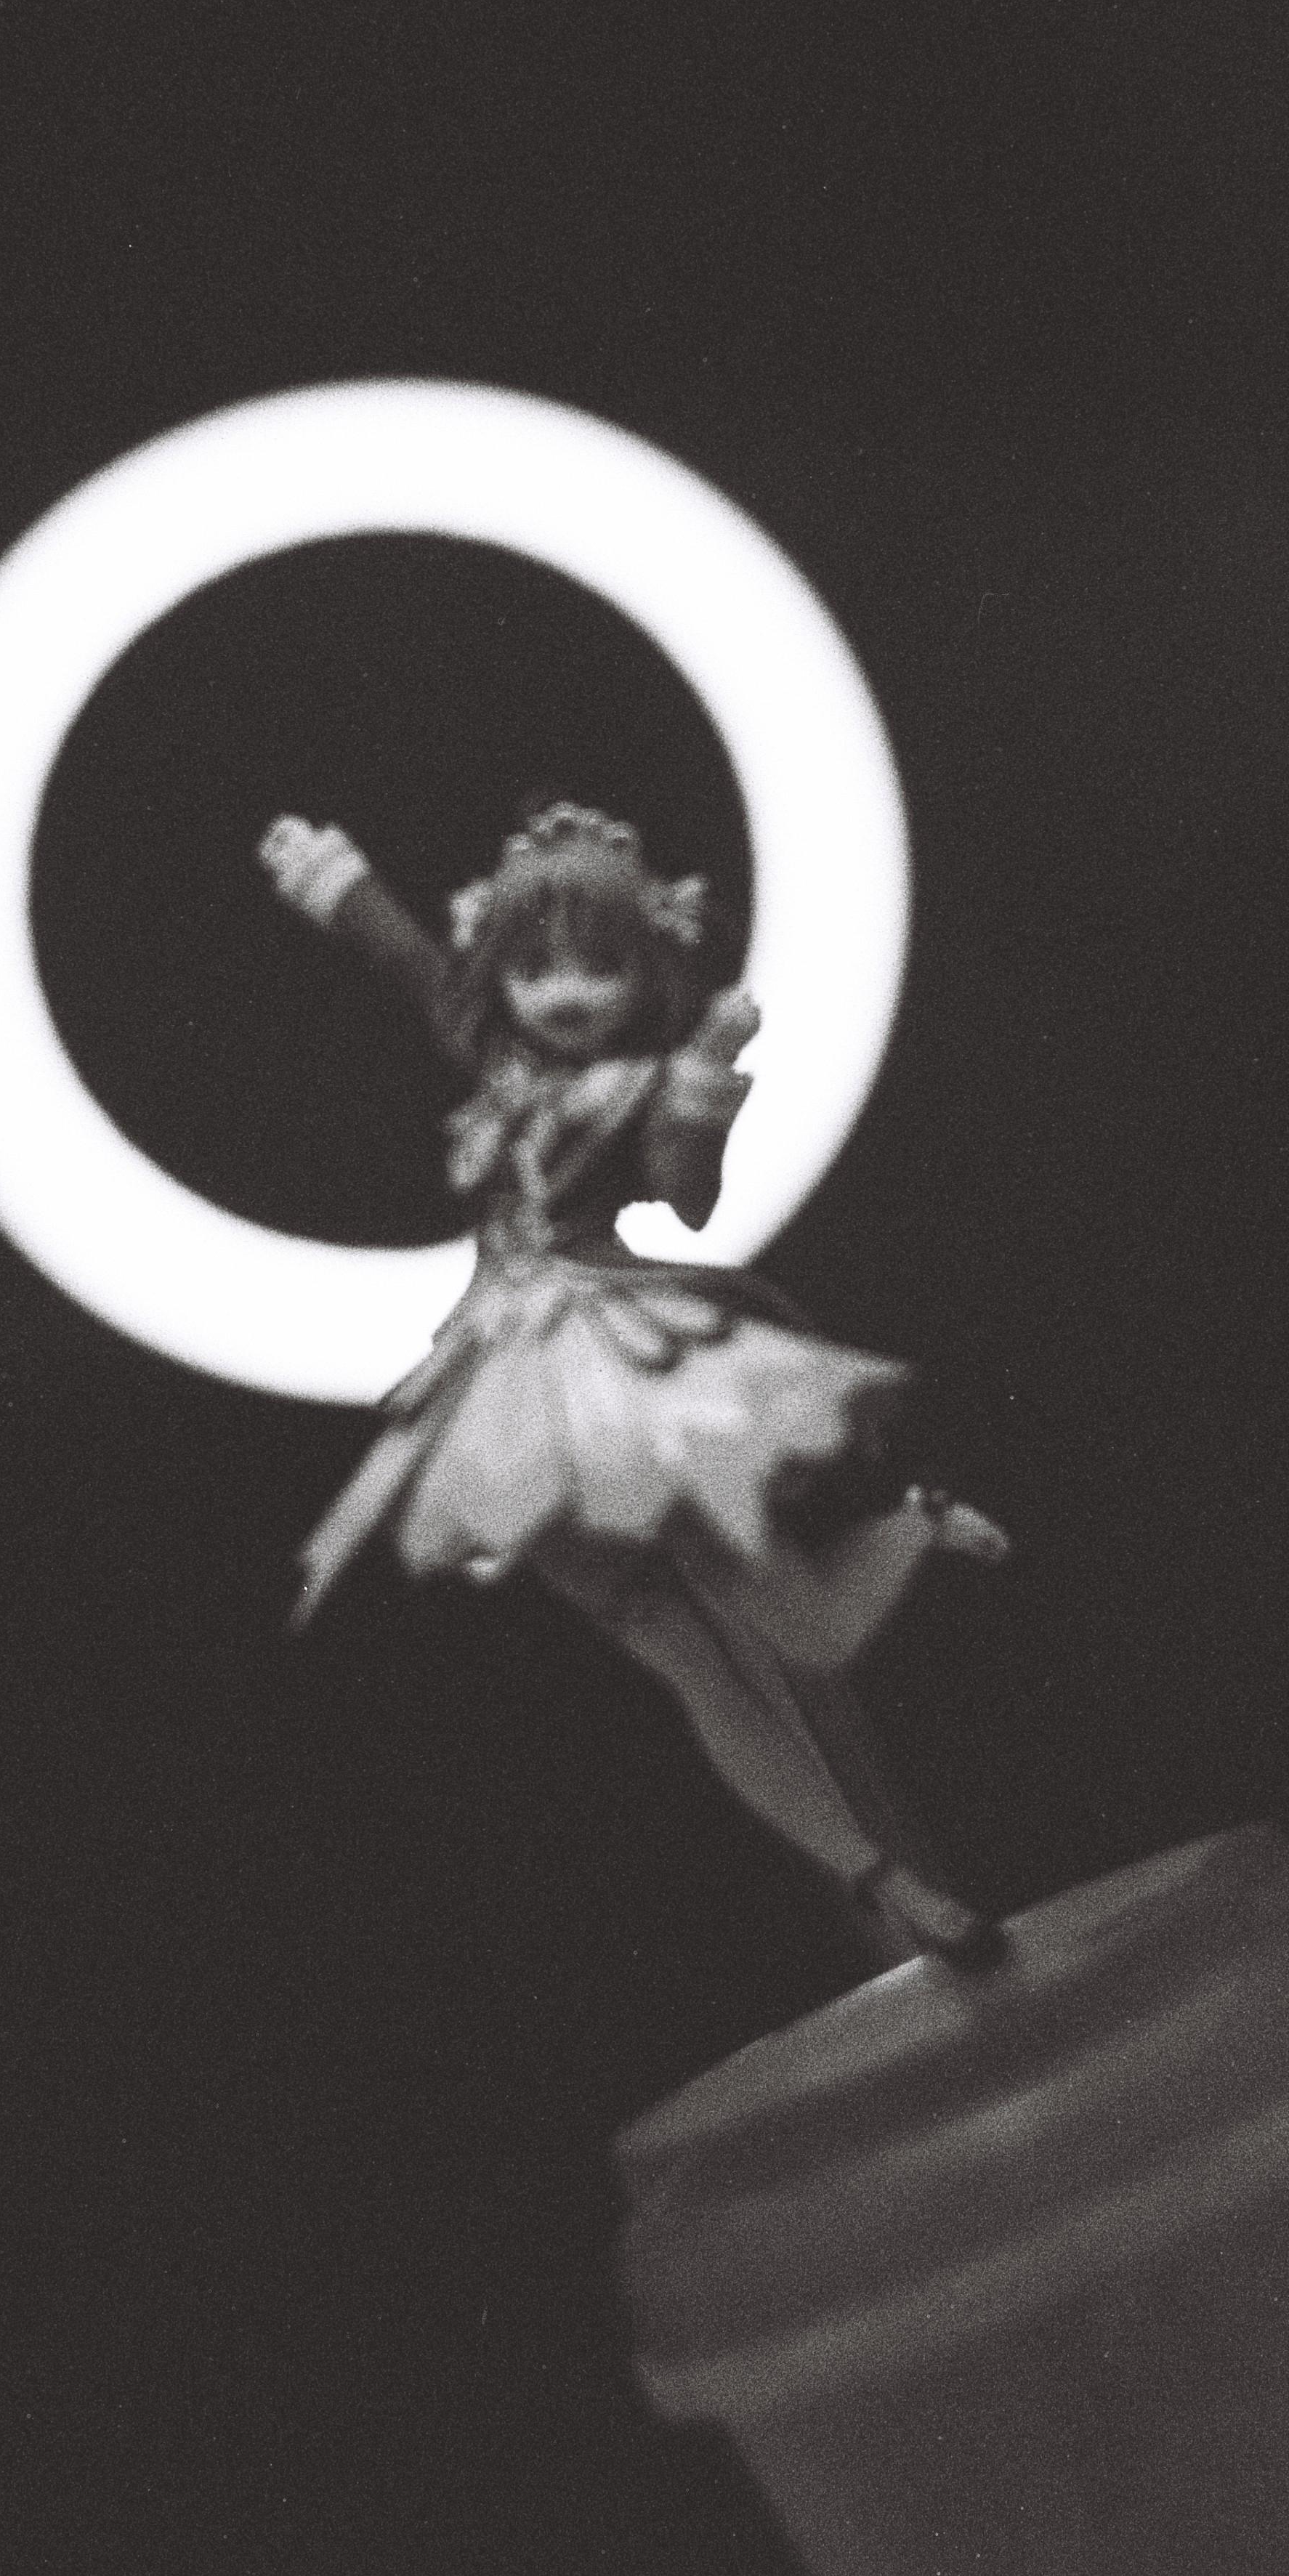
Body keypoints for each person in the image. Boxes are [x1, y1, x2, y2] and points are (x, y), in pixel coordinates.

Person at [259, 798, 1009, 1970]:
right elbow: (414, 966)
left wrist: (703, 1085)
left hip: (621, 1360)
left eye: (598, 967)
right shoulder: (496, 1055)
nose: (563, 993)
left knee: (801, 1630)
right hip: (504, 1383)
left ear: (644, 972)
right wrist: (336, 884)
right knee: (677, 1656)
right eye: (534, 969)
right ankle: (886, 1886)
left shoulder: (645, 1083)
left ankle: (912, 1522)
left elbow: (689, 1198)